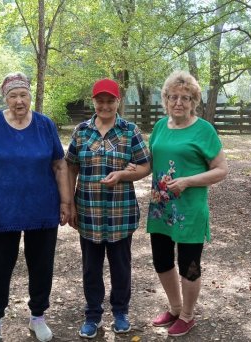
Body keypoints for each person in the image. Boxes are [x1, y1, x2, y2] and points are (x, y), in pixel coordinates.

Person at [0, 72, 71, 342]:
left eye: (23, 94)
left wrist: (65, 201)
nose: (19, 101)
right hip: (1, 211)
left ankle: (38, 316)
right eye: (13, 95)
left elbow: (60, 165)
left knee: (41, 265)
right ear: (6, 98)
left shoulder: (44, 125)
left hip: (42, 209)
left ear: (30, 96)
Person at [66, 78, 151, 339]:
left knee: (121, 266)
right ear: (94, 102)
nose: (105, 105)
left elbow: (146, 166)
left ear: (118, 101)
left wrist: (123, 176)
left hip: (120, 213)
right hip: (88, 212)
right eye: (100, 100)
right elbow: (71, 167)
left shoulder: (129, 131)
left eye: (110, 100)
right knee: (91, 268)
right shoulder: (81, 131)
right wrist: (69, 202)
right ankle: (92, 316)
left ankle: (120, 313)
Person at [147, 70, 228, 337]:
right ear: (165, 100)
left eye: (185, 98)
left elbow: (221, 170)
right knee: (161, 261)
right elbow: (151, 163)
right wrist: (125, 173)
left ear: (194, 101)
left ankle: (188, 315)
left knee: (189, 266)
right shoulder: (160, 126)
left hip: (190, 211)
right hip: (161, 209)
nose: (178, 102)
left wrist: (188, 181)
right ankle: (174, 307)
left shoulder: (204, 130)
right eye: (173, 97)